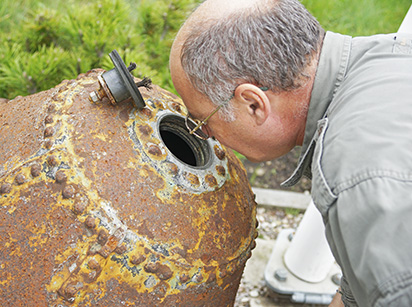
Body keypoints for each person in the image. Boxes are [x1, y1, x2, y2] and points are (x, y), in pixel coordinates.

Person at [169, 0, 412, 306]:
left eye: (202, 119)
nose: (202, 133)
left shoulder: (358, 182)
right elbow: (360, 286)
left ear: (254, 104)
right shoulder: (386, 55)